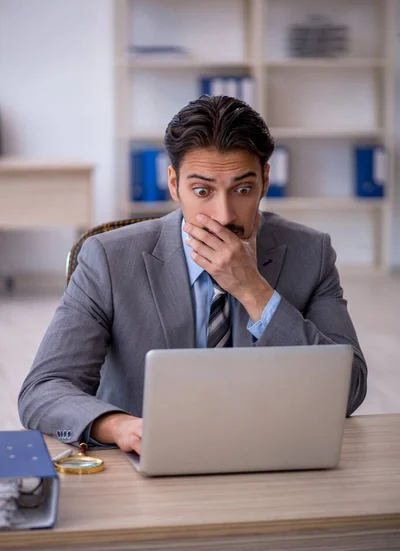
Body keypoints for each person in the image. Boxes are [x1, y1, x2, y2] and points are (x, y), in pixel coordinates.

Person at [18, 95, 367, 454]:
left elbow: (350, 389)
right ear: (174, 184)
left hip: (270, 456)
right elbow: (44, 389)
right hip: (149, 463)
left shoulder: (312, 253)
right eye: (202, 191)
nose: (223, 214)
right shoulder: (107, 259)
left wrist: (254, 291)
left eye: (242, 189)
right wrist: (119, 426)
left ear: (265, 180)